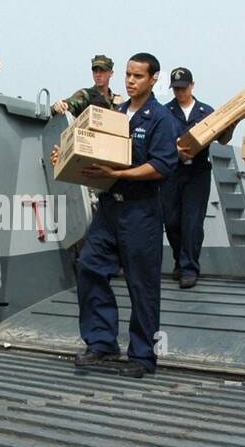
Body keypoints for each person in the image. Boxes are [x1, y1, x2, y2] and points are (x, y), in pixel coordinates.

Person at [51, 53, 178, 377]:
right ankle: (101, 342)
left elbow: (162, 166)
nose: (131, 80)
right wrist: (65, 154)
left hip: (141, 211)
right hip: (110, 208)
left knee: (142, 284)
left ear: (153, 79)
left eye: (138, 76)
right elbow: (95, 151)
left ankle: (143, 357)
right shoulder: (116, 114)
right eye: (128, 75)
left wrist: (120, 174)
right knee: (90, 266)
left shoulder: (160, 119)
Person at [161, 67, 216, 288]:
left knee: (192, 222)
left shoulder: (206, 112)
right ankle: (179, 260)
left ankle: (189, 268)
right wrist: (175, 151)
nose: (180, 93)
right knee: (172, 220)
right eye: (176, 89)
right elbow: (160, 140)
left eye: (183, 88)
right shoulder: (164, 112)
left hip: (198, 172)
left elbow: (220, 136)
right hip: (172, 172)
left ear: (192, 85)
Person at [52, 54, 121, 116]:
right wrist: (61, 105)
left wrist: (122, 106)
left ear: (111, 73)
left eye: (102, 71)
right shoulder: (86, 95)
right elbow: (71, 103)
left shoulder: (117, 100)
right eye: (95, 71)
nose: (98, 75)